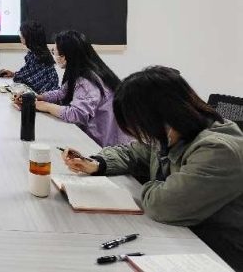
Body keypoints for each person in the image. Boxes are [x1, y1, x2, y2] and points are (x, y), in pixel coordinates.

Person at [62, 66, 243, 271]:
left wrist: (151, 184)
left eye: (142, 127)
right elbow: (131, 152)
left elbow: (165, 205)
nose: (141, 135)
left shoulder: (218, 150)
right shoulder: (174, 134)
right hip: (182, 237)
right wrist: (97, 163)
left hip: (220, 254)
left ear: (165, 115)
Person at [16, 30, 131, 147]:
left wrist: (45, 106)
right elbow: (62, 93)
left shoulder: (87, 81)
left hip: (105, 145)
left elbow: (77, 114)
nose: (54, 55)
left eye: (54, 51)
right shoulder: (83, 71)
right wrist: (37, 97)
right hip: (103, 139)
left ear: (65, 56)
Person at [0, 20, 59, 93]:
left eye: (21, 33)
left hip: (46, 96)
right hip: (49, 93)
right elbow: (28, 73)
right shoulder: (39, 52)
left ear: (28, 36)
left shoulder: (37, 56)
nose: (20, 36)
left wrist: (15, 76)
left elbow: (25, 79)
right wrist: (13, 74)